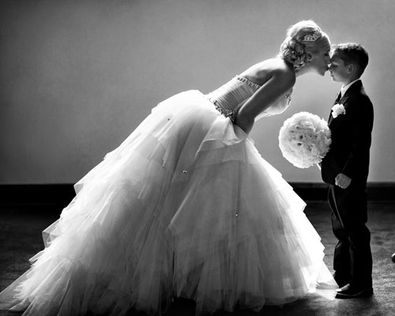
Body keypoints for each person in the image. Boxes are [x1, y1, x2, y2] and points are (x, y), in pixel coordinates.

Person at [0, 20, 338, 316]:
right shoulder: (283, 75)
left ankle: (170, 275)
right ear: (308, 56)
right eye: (325, 54)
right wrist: (237, 150)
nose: (330, 59)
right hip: (214, 125)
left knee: (175, 200)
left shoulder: (279, 67)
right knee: (198, 203)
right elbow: (244, 116)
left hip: (201, 116)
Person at [320, 42, 374, 299]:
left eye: (335, 64)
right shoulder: (344, 94)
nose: (329, 67)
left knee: (354, 229)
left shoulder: (359, 101)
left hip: (347, 177)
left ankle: (362, 283)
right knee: (340, 227)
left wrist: (348, 172)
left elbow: (360, 143)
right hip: (335, 174)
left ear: (351, 68)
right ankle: (342, 274)